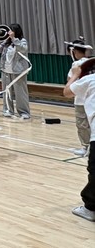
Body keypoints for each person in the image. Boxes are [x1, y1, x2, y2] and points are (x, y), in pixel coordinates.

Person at [64, 57, 95, 222]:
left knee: (94, 171)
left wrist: (75, 74)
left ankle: (90, 208)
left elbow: (67, 92)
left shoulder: (89, 79)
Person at [0, 24, 31, 119]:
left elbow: (23, 49)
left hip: (18, 72)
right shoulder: (6, 42)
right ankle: (8, 110)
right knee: (7, 92)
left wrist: (13, 39)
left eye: (11, 31)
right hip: (6, 70)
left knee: (20, 93)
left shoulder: (22, 41)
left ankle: (24, 112)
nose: (9, 32)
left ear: (16, 32)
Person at [67, 38, 93, 157]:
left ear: (75, 52)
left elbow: (69, 80)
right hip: (91, 99)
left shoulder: (76, 64)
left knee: (82, 124)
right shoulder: (91, 63)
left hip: (80, 100)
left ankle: (86, 147)